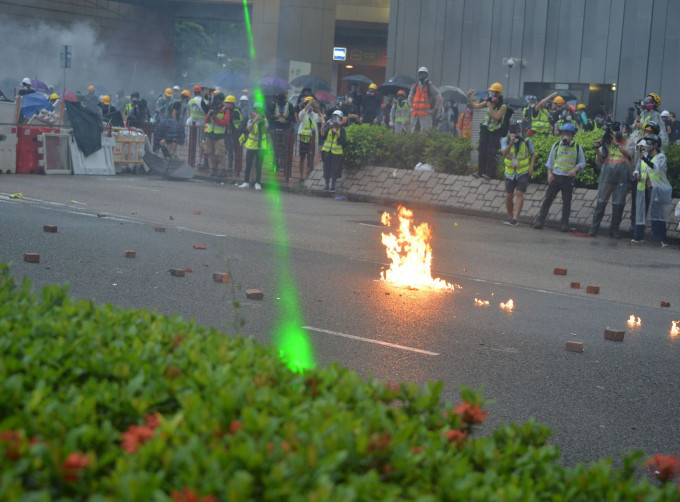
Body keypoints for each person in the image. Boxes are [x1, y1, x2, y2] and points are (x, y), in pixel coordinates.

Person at [533, 123, 586, 232]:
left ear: (572, 135)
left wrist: (575, 169)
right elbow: (550, 162)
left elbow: (582, 162)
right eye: (563, 134)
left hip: (568, 178)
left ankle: (564, 223)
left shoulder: (577, 147)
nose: (565, 136)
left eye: (568, 134)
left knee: (566, 201)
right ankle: (540, 220)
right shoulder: (556, 145)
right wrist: (549, 173)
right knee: (548, 199)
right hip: (556, 176)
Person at [589, 125, 632, 238]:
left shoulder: (628, 143)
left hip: (622, 179)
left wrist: (616, 144)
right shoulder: (607, 144)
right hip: (607, 177)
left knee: (618, 204)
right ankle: (594, 228)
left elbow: (629, 154)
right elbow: (602, 160)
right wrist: (597, 149)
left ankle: (614, 230)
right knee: (601, 202)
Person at [631, 132, 672, 246]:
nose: (647, 144)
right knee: (640, 212)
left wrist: (644, 158)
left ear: (655, 145)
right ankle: (638, 236)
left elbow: (656, 169)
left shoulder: (661, 156)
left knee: (657, 213)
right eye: (647, 142)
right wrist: (636, 175)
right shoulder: (643, 156)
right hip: (642, 188)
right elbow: (636, 169)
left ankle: (662, 239)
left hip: (655, 189)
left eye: (649, 143)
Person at [467, 82, 507, 179]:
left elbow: (496, 118)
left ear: (499, 94)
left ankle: (490, 174)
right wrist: (469, 97)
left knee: (491, 153)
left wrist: (490, 107)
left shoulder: (503, 106)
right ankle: (481, 172)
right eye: (491, 92)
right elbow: (475, 106)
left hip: (495, 132)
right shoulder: (488, 102)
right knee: (482, 152)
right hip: (485, 131)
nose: (491, 94)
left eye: (494, 93)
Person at [500, 121, 536, 226]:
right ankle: (510, 216)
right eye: (514, 131)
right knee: (508, 196)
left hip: (522, 171)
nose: (516, 133)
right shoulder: (505, 140)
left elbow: (533, 154)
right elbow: (504, 153)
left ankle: (516, 218)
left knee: (520, 194)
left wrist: (531, 167)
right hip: (510, 172)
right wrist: (511, 142)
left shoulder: (526, 141)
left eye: (517, 131)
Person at [239, 101, 268, 190]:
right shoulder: (251, 119)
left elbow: (265, 130)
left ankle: (257, 183)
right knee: (248, 164)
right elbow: (248, 129)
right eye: (257, 110)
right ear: (254, 110)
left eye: (260, 110)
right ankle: (246, 182)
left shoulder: (264, 119)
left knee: (259, 165)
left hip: (260, 145)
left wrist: (262, 121)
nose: (258, 112)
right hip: (251, 145)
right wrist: (255, 121)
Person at [203, 92, 230, 177]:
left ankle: (223, 169)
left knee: (221, 153)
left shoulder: (225, 110)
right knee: (210, 152)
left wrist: (215, 117)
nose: (215, 101)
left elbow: (225, 122)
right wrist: (209, 115)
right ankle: (213, 168)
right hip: (210, 134)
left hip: (219, 135)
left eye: (217, 99)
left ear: (220, 100)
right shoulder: (212, 108)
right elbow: (206, 120)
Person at [408, 66, 442, 132]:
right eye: (420, 74)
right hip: (415, 115)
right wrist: (411, 107)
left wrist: (433, 110)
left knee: (425, 134)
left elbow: (439, 99)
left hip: (425, 115)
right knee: (413, 133)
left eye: (423, 74)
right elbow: (410, 97)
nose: (421, 76)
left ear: (426, 75)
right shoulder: (415, 86)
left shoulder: (430, 87)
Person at [320, 110, 347, 193]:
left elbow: (343, 141)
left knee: (335, 170)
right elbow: (322, 136)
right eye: (334, 117)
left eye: (337, 118)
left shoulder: (342, 130)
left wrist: (337, 134)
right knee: (326, 169)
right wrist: (322, 127)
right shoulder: (329, 127)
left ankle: (333, 186)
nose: (335, 119)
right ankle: (326, 186)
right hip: (327, 152)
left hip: (336, 153)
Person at [297, 96, 321, 180]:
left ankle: (308, 176)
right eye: (307, 104)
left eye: (311, 105)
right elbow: (301, 115)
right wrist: (309, 104)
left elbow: (320, 119)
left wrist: (317, 108)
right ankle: (301, 176)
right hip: (303, 139)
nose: (310, 106)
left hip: (312, 140)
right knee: (302, 158)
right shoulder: (303, 114)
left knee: (310, 158)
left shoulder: (314, 115)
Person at [268, 93, 294, 171]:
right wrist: (275, 116)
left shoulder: (289, 105)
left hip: (285, 129)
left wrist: (287, 117)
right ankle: (275, 165)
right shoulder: (273, 105)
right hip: (275, 129)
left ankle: (282, 166)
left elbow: (293, 117)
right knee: (275, 148)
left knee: (284, 148)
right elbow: (268, 116)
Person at [223, 94, 241, 172]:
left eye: (227, 103)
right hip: (228, 132)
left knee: (231, 150)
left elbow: (231, 121)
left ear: (231, 103)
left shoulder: (235, 111)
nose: (225, 104)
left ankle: (230, 166)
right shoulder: (228, 110)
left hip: (234, 133)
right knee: (226, 149)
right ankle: (226, 165)